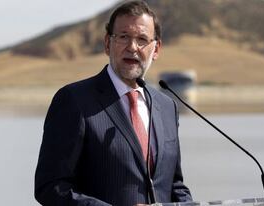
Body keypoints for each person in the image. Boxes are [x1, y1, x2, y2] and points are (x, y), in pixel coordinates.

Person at [34, 1, 192, 205]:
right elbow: (50, 187)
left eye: (142, 39)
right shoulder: (74, 100)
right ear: (108, 43)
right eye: (124, 37)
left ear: (156, 49)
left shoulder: (167, 106)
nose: (132, 47)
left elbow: (175, 185)